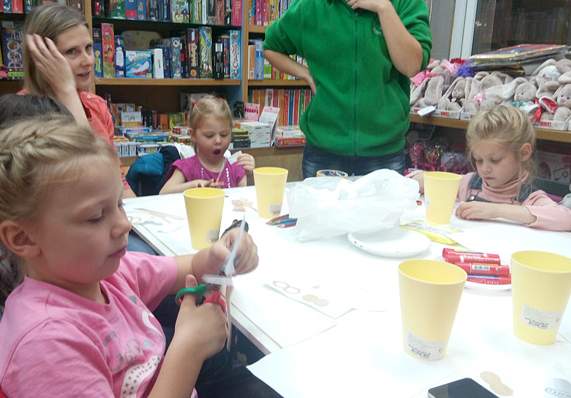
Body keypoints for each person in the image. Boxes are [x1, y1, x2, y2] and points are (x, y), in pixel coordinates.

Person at [0, 115, 263, 398]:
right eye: (97, 216)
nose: (124, 224)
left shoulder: (106, 274)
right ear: (22, 239)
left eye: (119, 204)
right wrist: (189, 350)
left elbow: (187, 267)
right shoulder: (46, 343)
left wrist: (218, 255)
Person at [262, 0, 432, 178]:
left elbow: (411, 66)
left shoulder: (404, 3)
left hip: (384, 152)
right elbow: (271, 46)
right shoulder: (311, 5)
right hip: (324, 151)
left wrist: (384, 8)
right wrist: (306, 75)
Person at [21, 3, 136, 198]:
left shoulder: (96, 106)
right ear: (40, 57)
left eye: (88, 48)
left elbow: (117, 182)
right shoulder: (18, 113)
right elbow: (92, 177)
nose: (88, 61)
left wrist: (139, 212)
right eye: (72, 51)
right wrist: (66, 91)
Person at [409, 105, 571, 231]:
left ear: (523, 153)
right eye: (478, 160)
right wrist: (423, 181)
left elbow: (566, 218)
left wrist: (496, 210)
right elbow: (413, 181)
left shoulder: (530, 198)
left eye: (495, 160)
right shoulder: (468, 184)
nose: (485, 169)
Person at [159, 95, 255, 194]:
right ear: (193, 135)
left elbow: (248, 195)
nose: (218, 141)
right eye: (209, 136)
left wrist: (250, 176)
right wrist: (194, 185)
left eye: (224, 135)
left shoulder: (235, 166)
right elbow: (163, 193)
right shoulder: (187, 167)